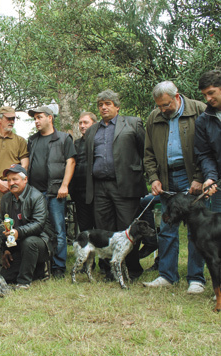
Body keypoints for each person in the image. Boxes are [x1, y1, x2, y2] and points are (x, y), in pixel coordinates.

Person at [142, 81, 207, 292]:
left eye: (166, 105)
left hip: (194, 178)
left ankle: (196, 279)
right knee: (167, 228)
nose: (162, 109)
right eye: (159, 106)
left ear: (177, 97)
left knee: (196, 229)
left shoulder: (199, 110)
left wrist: (200, 177)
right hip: (167, 179)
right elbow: (148, 153)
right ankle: (167, 275)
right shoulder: (154, 117)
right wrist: (153, 178)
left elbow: (210, 149)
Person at [85, 89, 146, 280]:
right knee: (105, 231)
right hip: (99, 187)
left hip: (125, 186)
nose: (103, 107)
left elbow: (145, 152)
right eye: (100, 104)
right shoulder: (93, 130)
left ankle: (133, 270)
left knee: (128, 230)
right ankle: (110, 271)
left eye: (108, 104)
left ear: (117, 106)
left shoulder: (132, 123)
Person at [27, 106, 76, 279]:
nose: (36, 121)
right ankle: (41, 265)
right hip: (35, 193)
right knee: (37, 228)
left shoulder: (63, 138)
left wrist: (64, 185)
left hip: (55, 191)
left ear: (50, 118)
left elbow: (70, 162)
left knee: (58, 230)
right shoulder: (32, 140)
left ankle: (58, 267)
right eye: (35, 118)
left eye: (39, 117)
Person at [0, 164, 55, 289]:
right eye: (8, 180)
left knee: (29, 242)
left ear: (25, 180)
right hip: (17, 245)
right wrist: (6, 249)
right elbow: (1, 224)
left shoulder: (37, 196)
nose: (11, 183)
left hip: (40, 242)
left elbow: (39, 224)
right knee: (5, 277)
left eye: (15, 179)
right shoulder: (6, 199)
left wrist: (18, 232)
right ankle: (39, 271)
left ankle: (24, 283)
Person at [0, 106, 29, 228]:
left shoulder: (20, 141)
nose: (12, 121)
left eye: (13, 119)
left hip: (16, 186)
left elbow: (25, 163)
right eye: (9, 118)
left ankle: (17, 247)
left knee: (18, 221)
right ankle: (1, 247)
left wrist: (16, 180)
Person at [195, 69, 221, 213]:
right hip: (219, 187)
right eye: (205, 95)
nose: (208, 99)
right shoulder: (202, 121)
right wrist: (211, 177)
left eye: (211, 93)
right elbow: (204, 154)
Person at [69, 112, 97, 233]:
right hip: (80, 193)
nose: (82, 125)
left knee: (99, 226)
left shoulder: (99, 141)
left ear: (94, 124)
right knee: (85, 227)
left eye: (86, 122)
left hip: (97, 192)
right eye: (80, 123)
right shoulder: (76, 143)